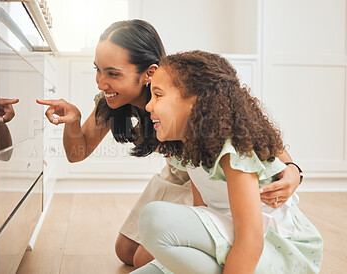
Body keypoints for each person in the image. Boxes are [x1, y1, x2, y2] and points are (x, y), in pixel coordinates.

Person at [36, 20, 303, 267]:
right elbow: (77, 153)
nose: (101, 82)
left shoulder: (183, 88)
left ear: (148, 73)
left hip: (206, 177)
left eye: (113, 73)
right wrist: (74, 121)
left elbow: (251, 131)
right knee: (125, 252)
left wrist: (292, 168)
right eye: (98, 70)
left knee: (143, 258)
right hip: (183, 171)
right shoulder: (112, 101)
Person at [131, 50, 323, 273]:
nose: (148, 106)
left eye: (158, 95)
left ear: (195, 102)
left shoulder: (234, 153)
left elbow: (251, 240)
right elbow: (202, 210)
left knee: (155, 219)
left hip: (276, 250)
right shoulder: (187, 148)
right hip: (229, 237)